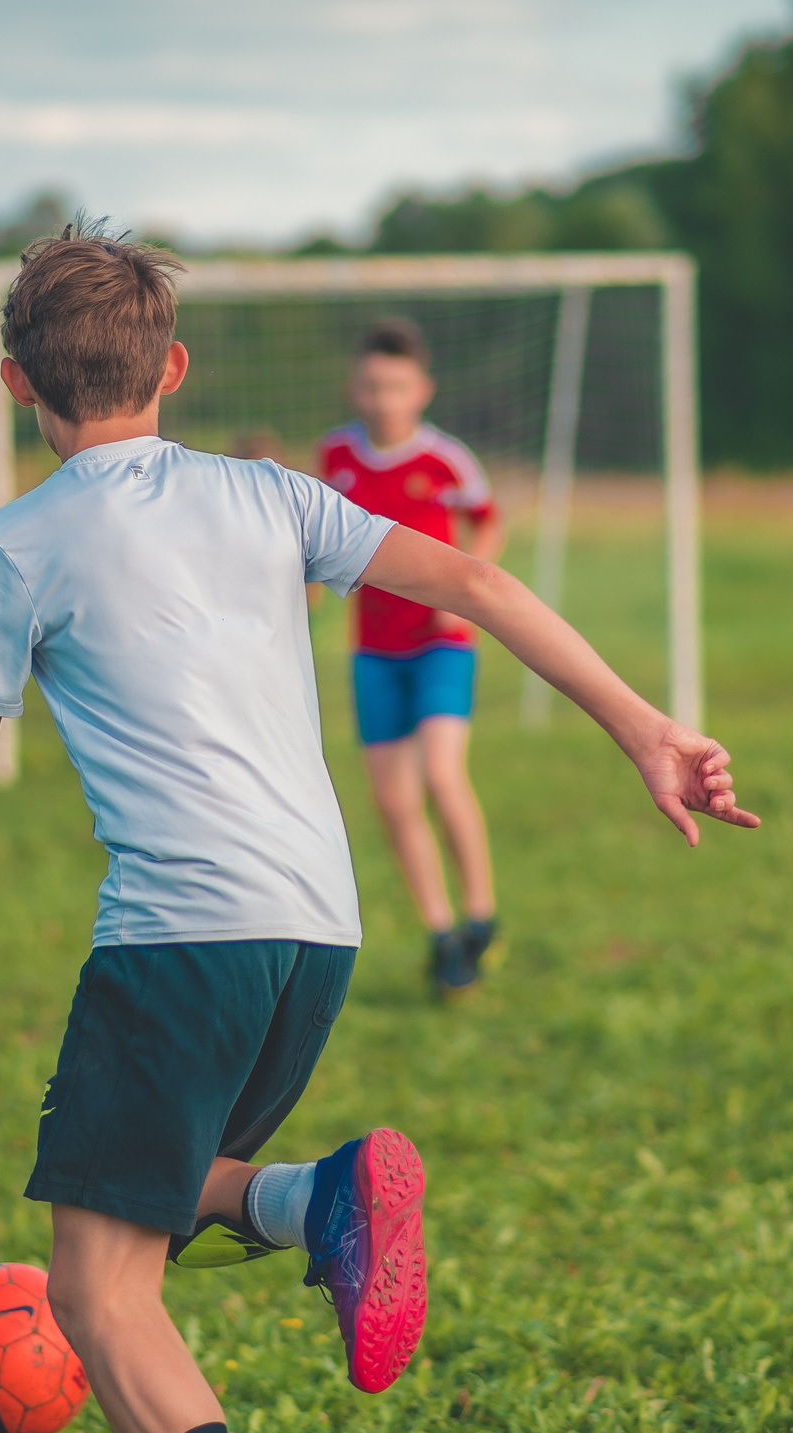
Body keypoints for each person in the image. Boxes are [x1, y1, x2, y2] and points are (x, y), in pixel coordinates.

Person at [0, 226, 757, 1433]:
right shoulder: (268, 492)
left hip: (179, 935)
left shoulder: (18, 540)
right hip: (317, 929)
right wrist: (650, 728)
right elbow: (485, 589)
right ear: (175, 369)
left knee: (95, 1286)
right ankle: (311, 1197)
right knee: (135, 1200)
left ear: (16, 381)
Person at [318, 321, 505, 995]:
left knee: (441, 774)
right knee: (394, 799)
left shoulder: (445, 461)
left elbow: (488, 517)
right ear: (354, 388)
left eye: (396, 385)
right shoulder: (336, 455)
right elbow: (320, 536)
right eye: (371, 385)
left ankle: (482, 912)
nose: (383, 397)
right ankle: (442, 932)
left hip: (441, 643)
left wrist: (465, 587)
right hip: (375, 650)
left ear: (421, 390)